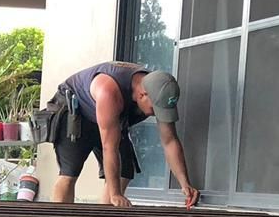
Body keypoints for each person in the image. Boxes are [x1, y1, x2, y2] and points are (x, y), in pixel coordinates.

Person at [51, 61, 198, 209]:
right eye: (155, 109)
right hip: (75, 111)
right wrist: (116, 194)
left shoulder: (159, 90)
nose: (156, 114)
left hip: (110, 118)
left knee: (124, 172)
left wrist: (184, 184)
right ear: (142, 95)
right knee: (70, 172)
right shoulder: (109, 91)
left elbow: (170, 141)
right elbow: (110, 148)